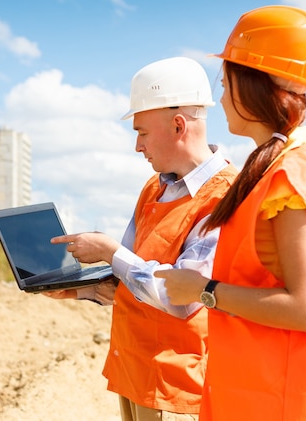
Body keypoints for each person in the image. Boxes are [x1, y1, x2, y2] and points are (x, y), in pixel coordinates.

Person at [155, 5, 306, 420]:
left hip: (288, 401)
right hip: (265, 393)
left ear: (253, 86)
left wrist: (203, 290)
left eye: (226, 83)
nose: (220, 98)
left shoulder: (289, 176)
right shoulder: (275, 167)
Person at [47, 56, 237, 420]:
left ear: (179, 125)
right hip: (135, 375)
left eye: (143, 132)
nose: (137, 146)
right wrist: (79, 290)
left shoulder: (224, 197)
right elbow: (131, 283)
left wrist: (108, 250)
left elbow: (182, 297)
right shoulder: (154, 188)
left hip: (178, 388)